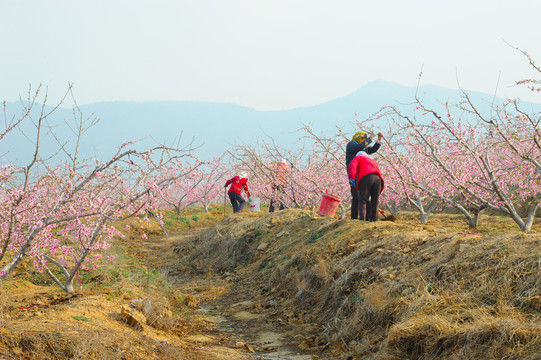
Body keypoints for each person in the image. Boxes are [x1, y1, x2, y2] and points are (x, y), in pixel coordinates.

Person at [345, 131, 384, 220]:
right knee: (356, 196)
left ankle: (368, 218)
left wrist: (378, 140)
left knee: (365, 196)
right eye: (363, 139)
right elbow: (359, 147)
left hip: (363, 175)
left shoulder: (362, 149)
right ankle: (354, 217)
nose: (364, 141)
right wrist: (370, 138)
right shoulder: (351, 145)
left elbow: (372, 150)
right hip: (354, 174)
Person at [348, 151, 385, 221]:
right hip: (378, 179)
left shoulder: (358, 158)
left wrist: (352, 178)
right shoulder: (372, 160)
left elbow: (352, 165)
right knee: (375, 201)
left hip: (366, 177)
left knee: (363, 199)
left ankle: (362, 219)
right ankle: (374, 220)